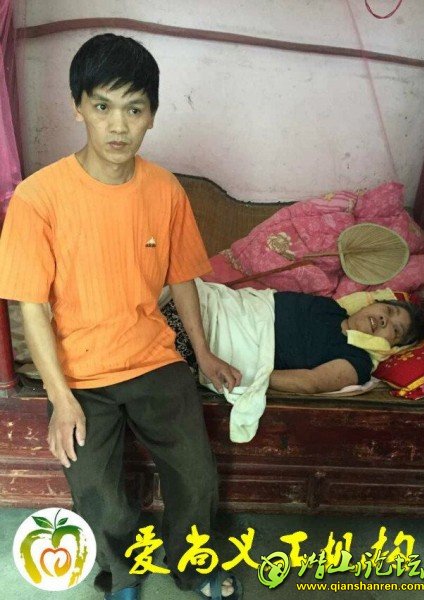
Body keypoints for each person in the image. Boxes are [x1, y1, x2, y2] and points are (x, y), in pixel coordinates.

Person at [0, 34, 243, 600]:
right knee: (97, 492)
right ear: (77, 107)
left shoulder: (165, 190)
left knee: (197, 475)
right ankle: (121, 573)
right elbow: (31, 306)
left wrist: (203, 354)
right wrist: (60, 399)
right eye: (102, 106)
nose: (117, 126)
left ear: (152, 116)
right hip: (80, 374)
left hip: (153, 360)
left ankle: (194, 566)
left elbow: (183, 277)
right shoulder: (39, 199)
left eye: (134, 110)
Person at [162, 291, 424, 394]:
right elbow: (258, 304)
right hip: (225, 307)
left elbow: (310, 382)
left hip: (233, 342)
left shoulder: (356, 362)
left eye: (395, 329)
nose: (384, 320)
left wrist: (249, 375)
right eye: (388, 311)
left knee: (164, 340)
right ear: (374, 303)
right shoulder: (330, 307)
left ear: (392, 347)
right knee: (175, 291)